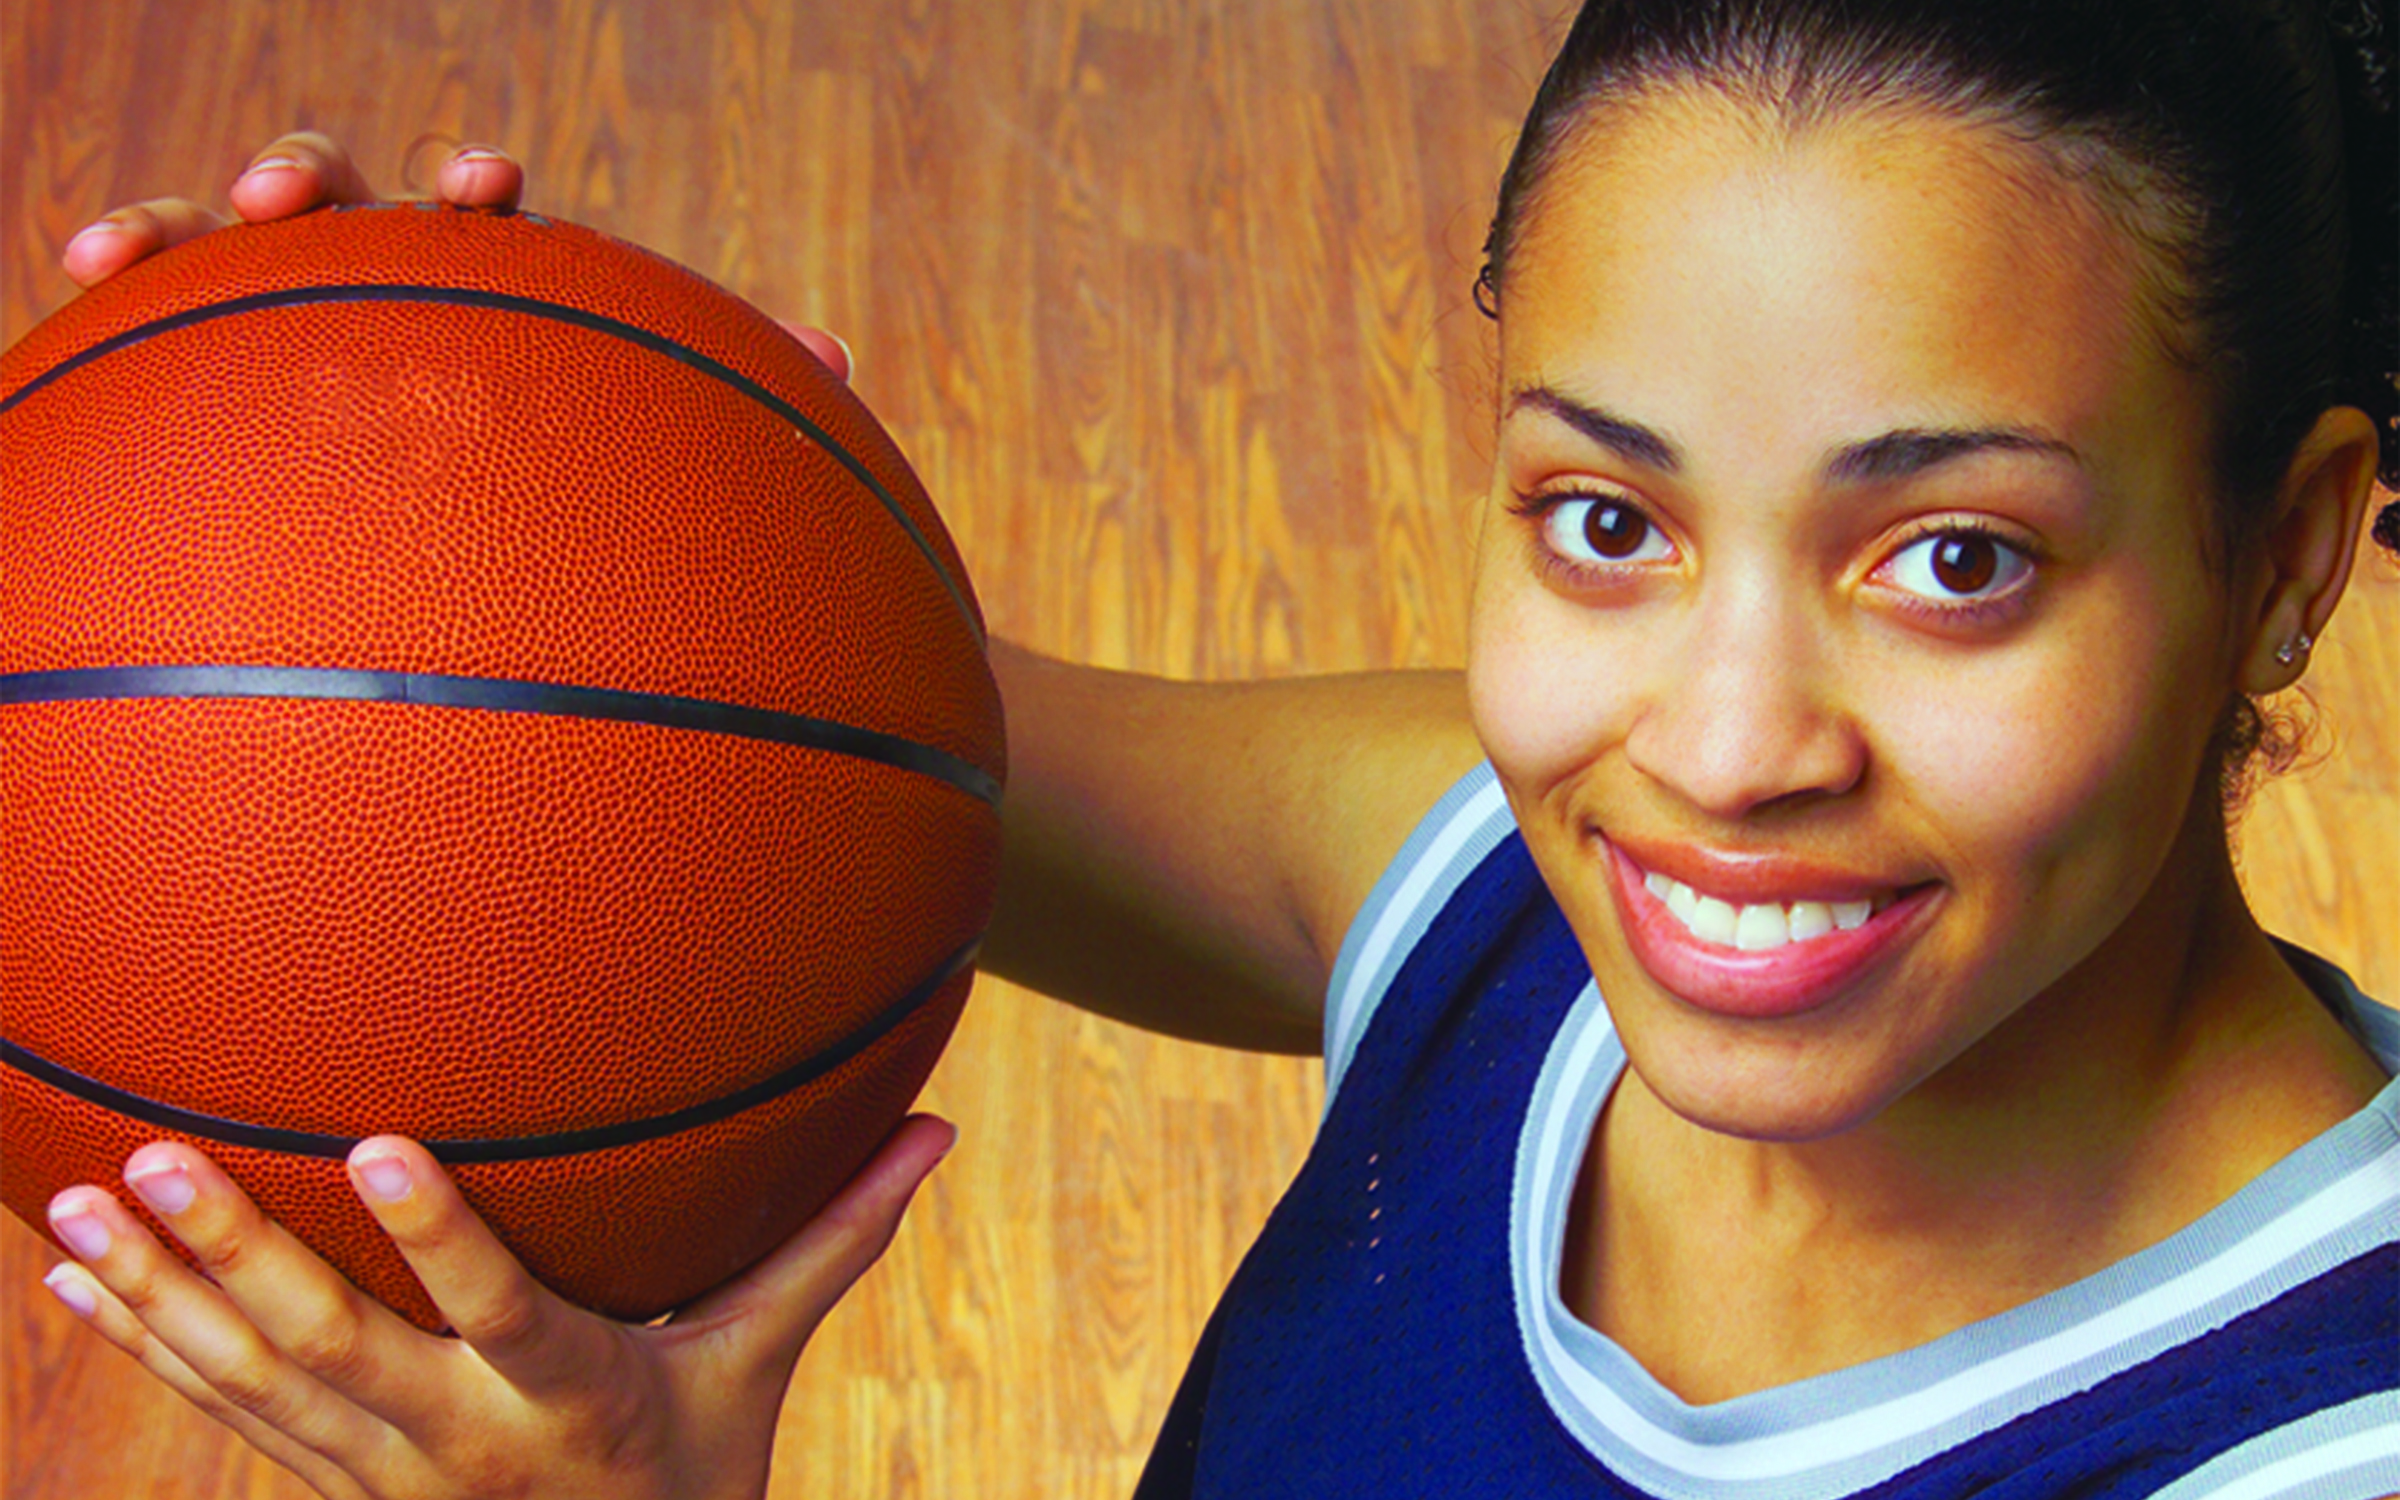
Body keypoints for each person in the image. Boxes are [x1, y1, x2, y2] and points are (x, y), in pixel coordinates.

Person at [30, 0, 2400, 1495]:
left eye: (1956, 559)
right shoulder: (1525, 904)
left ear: (2287, 550)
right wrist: (384, 469)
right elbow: (727, 763)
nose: (1725, 745)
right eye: (1609, 521)